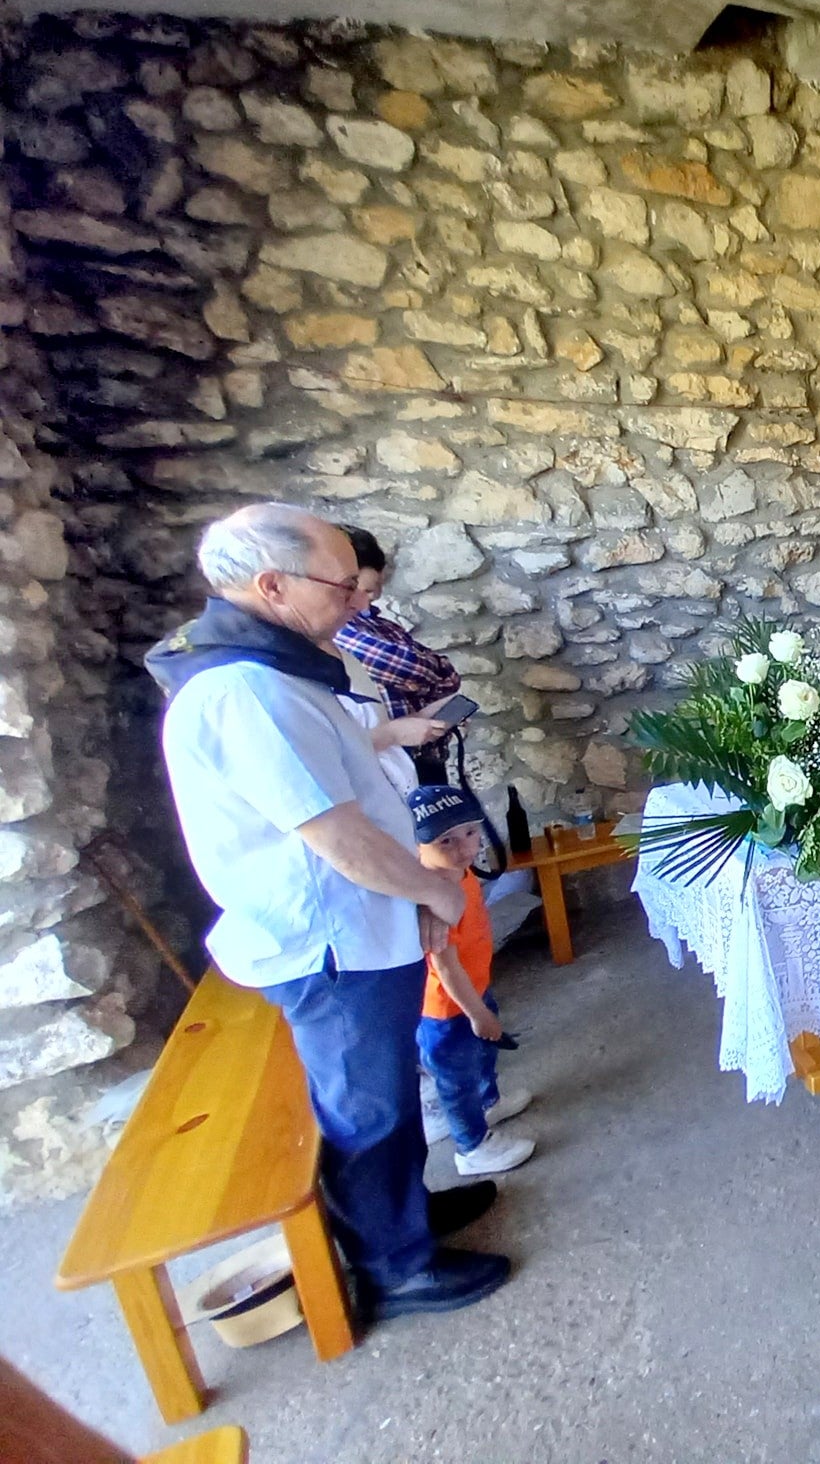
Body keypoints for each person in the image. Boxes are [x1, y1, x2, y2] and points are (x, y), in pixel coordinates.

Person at [149, 502, 509, 1321]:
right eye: (343, 585)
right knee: (367, 1106)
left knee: (386, 1086)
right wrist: (434, 891)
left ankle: (403, 1215)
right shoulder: (242, 692)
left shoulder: (276, 670)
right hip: (329, 942)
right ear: (272, 585)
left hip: (359, 925)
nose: (358, 601)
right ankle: (397, 1266)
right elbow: (339, 837)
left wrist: (413, 902)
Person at [408, 785, 536, 1177]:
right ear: (418, 846)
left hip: (474, 988)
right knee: (455, 1079)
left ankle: (488, 1102)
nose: (464, 847)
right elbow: (445, 967)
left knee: (483, 1056)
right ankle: (471, 1146)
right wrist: (478, 1013)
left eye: (469, 832)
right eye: (445, 840)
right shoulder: (433, 894)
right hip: (447, 1011)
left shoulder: (458, 873)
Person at [334, 526, 463, 786]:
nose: (367, 602)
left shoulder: (386, 627)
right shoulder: (341, 630)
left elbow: (449, 678)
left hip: (425, 757)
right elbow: (409, 665)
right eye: (365, 591)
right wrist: (429, 682)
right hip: (389, 766)